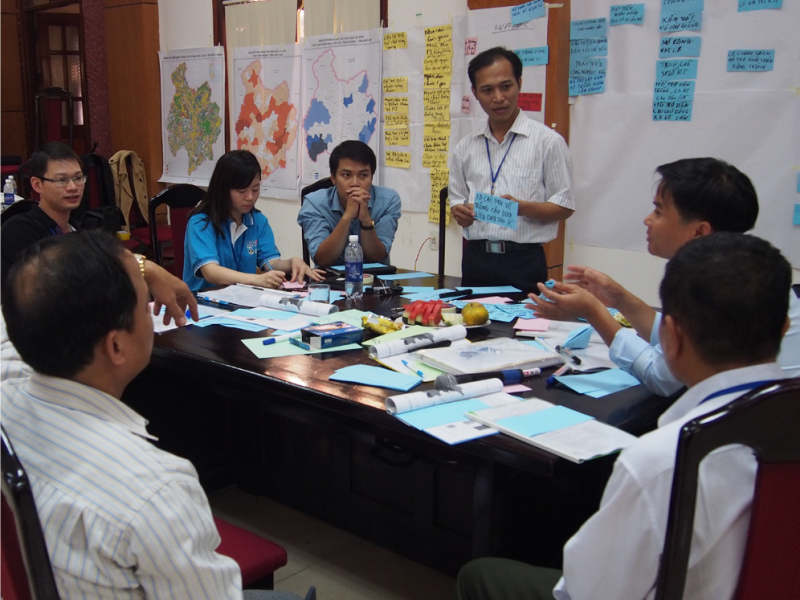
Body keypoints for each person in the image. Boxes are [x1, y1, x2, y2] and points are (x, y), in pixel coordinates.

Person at [456, 232, 792, 600]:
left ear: (670, 338)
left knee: (481, 575)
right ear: (784, 329)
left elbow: (587, 589)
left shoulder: (662, 459)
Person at [0, 230, 301, 599]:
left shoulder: (7, 390)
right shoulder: (154, 485)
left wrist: (144, 268)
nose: (154, 311)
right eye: (146, 304)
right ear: (115, 345)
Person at [528, 157, 800, 395]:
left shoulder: (717, 286)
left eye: (658, 211)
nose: (648, 220)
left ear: (699, 231)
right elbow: (680, 337)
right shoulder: (746, 268)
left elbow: (662, 377)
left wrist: (594, 312)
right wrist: (620, 299)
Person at [0, 141, 197, 326]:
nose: (72, 187)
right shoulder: (18, 230)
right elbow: (57, 283)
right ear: (37, 185)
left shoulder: (79, 229)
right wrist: (145, 268)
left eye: (78, 178)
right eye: (61, 180)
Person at [449, 47, 574, 292]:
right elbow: (457, 199)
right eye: (487, 90)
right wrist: (458, 211)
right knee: (473, 328)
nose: (498, 97)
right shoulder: (465, 147)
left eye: (506, 86)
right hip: (476, 260)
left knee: (523, 329)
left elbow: (564, 206)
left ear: (519, 83)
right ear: (475, 93)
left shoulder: (548, 142)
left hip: (524, 261)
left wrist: (520, 207)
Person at [184, 149, 324, 292]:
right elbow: (211, 272)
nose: (250, 197)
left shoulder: (257, 221)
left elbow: (270, 262)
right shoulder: (201, 223)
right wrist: (256, 279)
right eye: (241, 191)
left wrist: (291, 263)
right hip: (203, 303)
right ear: (223, 189)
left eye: (255, 189)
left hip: (243, 300)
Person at [297, 140, 402, 267]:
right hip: (329, 280)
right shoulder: (314, 203)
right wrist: (347, 216)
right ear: (333, 178)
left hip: (375, 280)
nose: (355, 183)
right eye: (346, 175)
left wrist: (366, 221)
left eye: (363, 175)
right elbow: (322, 259)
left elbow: (377, 258)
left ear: (372, 177)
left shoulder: (388, 200)